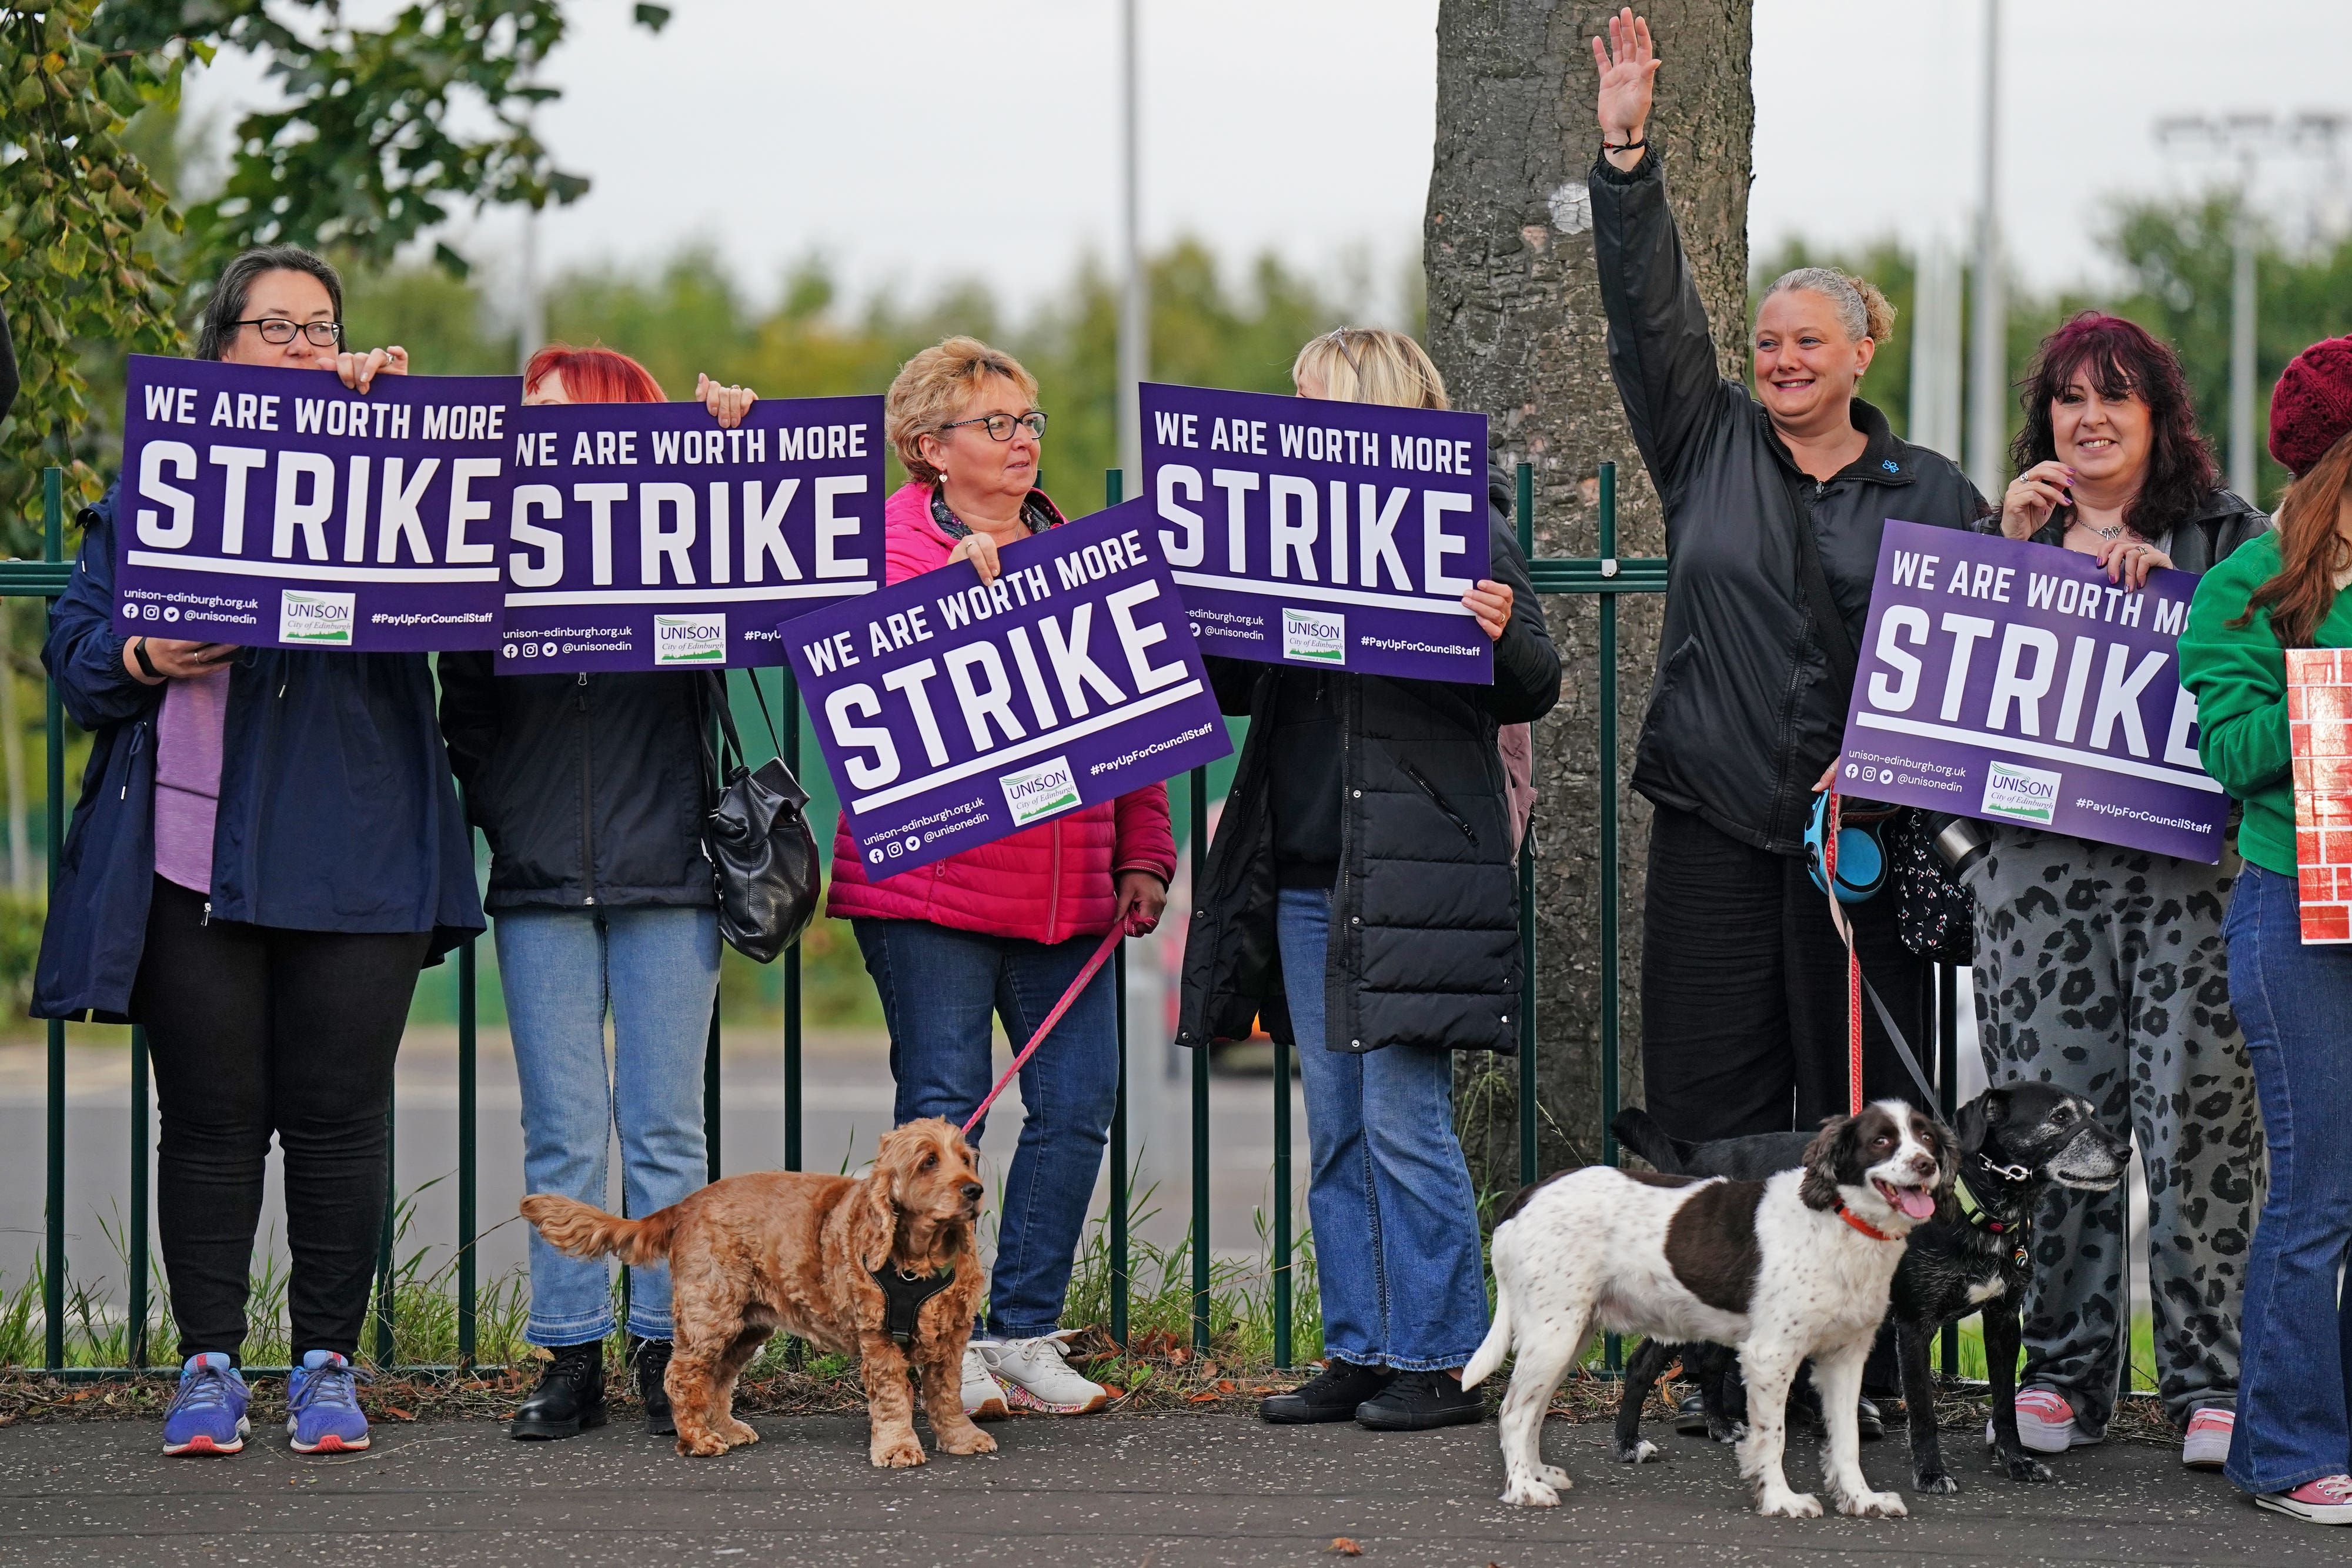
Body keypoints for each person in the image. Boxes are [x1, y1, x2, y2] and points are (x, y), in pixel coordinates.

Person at [32, 246, 482, 1457]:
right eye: (271, 327)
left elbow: (494, 590)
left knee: (340, 1117)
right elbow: (74, 654)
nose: (294, 346)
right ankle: (210, 1364)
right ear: (220, 344)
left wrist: (399, 437)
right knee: (214, 1120)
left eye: (316, 327)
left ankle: (328, 1364)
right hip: (192, 857)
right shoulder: (158, 485)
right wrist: (142, 656)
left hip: (361, 852)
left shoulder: (400, 462)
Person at [1589, 9, 1986, 1146]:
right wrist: (1628, 166)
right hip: (1712, 827)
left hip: (1857, 841)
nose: (1783, 360)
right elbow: (1650, 318)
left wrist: (1882, 768)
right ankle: (1713, 1330)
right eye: (1768, 342)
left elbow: (1963, 666)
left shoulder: (1934, 493)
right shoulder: (1706, 440)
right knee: (1710, 1118)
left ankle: (1872, 1332)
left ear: (1863, 352)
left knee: (1867, 1124)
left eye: (1810, 342)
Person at [1180, 327, 1562, 1431]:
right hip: (1302, 869)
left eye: (1303, 392)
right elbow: (1234, 682)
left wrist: (1494, 635)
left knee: (1403, 1119)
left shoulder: (1465, 520)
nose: (1286, 411)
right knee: (1338, 1124)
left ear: (1358, 399)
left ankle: (1439, 1355)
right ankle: (1360, 1345)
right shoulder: (1275, 525)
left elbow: (1533, 680)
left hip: (1407, 868)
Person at [825, 336, 1175, 1417]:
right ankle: (935, 1342)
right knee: (939, 1111)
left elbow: (1138, 721)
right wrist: (948, 590)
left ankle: (1020, 1330)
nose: (1024, 441)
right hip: (931, 892)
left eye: (1030, 423)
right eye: (998, 424)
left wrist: (1144, 852)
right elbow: (848, 659)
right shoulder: (876, 544)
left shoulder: (1073, 548)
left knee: (1076, 1108)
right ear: (929, 447)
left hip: (1068, 897)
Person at [438, 347, 757, 1443]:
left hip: (669, 875)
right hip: (537, 885)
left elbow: (772, 587)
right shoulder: (489, 554)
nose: (535, 432)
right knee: (563, 1135)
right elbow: (464, 709)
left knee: (669, 1134)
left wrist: (724, 452)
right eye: (527, 415)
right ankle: (569, 1352)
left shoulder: (685, 537)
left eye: (558, 414)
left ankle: (679, 1346)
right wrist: (508, 809)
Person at [1971, 313, 2265, 1469]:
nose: (2085, 419)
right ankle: (2062, 1368)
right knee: (2058, 1122)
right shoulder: (1998, 534)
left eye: (2112, 397)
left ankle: (2205, 1378)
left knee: (2198, 1123)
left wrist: (2176, 598)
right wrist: (2004, 549)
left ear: (2156, 416)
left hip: (2189, 880)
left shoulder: (2226, 536)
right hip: (2036, 886)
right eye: (2064, 397)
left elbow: (2273, 670)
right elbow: (1930, 691)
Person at [2180, 333, 2352, 1527]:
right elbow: (2230, 754)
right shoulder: (2244, 584)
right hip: (2296, 903)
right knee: (2315, 1190)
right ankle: (2280, 1448)